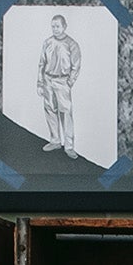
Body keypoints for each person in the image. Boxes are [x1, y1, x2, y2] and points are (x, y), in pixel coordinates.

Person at [38, 14, 83, 158]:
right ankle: (55, 141)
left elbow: (76, 66)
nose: (55, 29)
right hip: (48, 80)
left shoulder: (72, 44)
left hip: (62, 82)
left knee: (66, 113)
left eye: (57, 26)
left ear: (64, 26)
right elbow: (42, 63)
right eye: (53, 26)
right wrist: (40, 83)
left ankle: (69, 147)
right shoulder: (47, 42)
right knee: (50, 110)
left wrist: (70, 81)